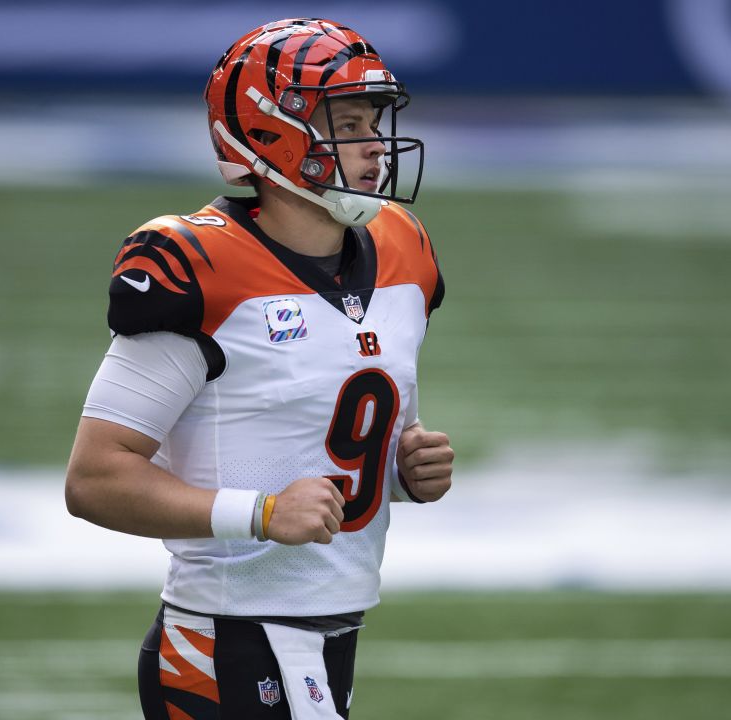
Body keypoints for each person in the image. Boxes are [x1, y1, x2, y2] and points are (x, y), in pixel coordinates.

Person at [64, 17, 453, 720]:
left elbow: (316, 443)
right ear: (273, 132)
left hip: (336, 631)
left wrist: (402, 472)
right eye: (348, 122)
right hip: (223, 640)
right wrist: (263, 514)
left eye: (374, 120)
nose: (374, 145)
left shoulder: (404, 250)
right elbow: (94, 478)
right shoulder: (201, 267)